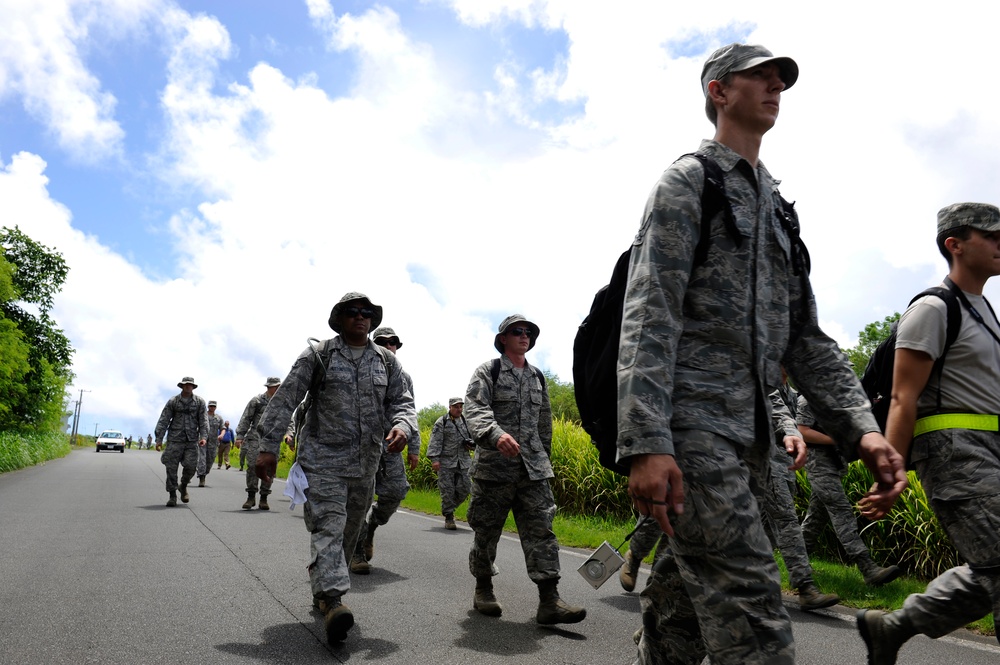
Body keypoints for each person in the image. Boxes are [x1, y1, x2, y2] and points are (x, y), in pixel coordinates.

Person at [616, 43, 907, 665]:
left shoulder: (779, 209)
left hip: (752, 439)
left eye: (782, 80)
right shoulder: (691, 179)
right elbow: (650, 310)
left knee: (680, 610)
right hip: (691, 429)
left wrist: (863, 430)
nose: (776, 86)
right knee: (753, 613)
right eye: (761, 77)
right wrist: (646, 441)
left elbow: (807, 338)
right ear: (719, 92)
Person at [856, 202, 1000, 664]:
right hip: (955, 453)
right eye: (991, 236)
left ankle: (893, 626)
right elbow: (903, 398)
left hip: (991, 451)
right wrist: (889, 475)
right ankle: (894, 626)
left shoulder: (986, 313)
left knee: (993, 568)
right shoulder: (933, 308)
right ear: (954, 244)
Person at [254, 292, 417, 644]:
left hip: (365, 465)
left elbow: (403, 402)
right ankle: (333, 599)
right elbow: (286, 399)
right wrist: (268, 447)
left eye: (367, 313)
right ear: (340, 318)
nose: (361, 318)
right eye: (353, 312)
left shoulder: (387, 363)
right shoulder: (319, 354)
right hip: (322, 461)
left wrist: (403, 426)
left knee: (348, 534)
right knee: (329, 526)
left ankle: (325, 588)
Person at [464, 314, 586, 625]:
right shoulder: (488, 370)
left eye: (528, 332)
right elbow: (475, 408)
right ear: (503, 338)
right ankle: (483, 588)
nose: (524, 336)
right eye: (516, 332)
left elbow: (544, 423)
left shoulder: (537, 377)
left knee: (541, 532)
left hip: (532, 470)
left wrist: (544, 459)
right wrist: (495, 434)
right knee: (486, 532)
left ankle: (549, 600)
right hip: (494, 470)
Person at [796, 394, 901, 585]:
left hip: (835, 464)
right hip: (817, 464)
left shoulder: (837, 399)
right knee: (841, 511)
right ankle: (868, 568)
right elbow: (802, 431)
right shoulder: (808, 399)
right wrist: (836, 440)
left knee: (816, 519)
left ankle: (795, 563)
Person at [349, 326, 418, 574]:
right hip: (362, 448)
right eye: (383, 342)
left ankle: (371, 528)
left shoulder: (404, 377)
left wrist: (414, 448)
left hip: (391, 448)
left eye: (393, 342)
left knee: (396, 493)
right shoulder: (359, 370)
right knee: (359, 500)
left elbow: (410, 411)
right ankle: (356, 552)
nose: (389, 346)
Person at [154, 377, 209, 507]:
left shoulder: (199, 402)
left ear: (193, 387)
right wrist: (159, 439)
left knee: (191, 467)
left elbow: (203, 420)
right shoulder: (173, 401)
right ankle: (172, 495)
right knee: (171, 468)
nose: (188, 387)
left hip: (191, 440)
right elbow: (164, 419)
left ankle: (183, 486)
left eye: (190, 385)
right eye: (186, 385)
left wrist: (204, 437)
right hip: (174, 439)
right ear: (182, 386)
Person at [427, 397, 474, 530]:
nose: (459, 409)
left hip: (463, 461)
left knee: (466, 487)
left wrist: (471, 445)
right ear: (450, 407)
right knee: (447, 491)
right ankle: (449, 517)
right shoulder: (442, 422)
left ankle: (449, 508)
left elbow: (474, 439)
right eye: (456, 407)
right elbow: (435, 441)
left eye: (460, 407)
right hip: (446, 462)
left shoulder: (466, 422)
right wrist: (435, 460)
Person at [236, 377, 281, 510]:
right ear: (269, 387)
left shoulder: (282, 402)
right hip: (255, 437)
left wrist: (290, 434)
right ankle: (251, 497)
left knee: (269, 468)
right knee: (252, 465)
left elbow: (289, 421)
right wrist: (239, 436)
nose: (278, 389)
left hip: (273, 439)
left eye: (279, 386)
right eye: (275, 387)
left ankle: (264, 498)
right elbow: (246, 418)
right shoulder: (257, 401)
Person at [197, 400, 224, 487]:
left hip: (213, 442)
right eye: (210, 406)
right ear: (208, 406)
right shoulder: (202, 416)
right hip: (202, 441)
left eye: (213, 406)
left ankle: (205, 473)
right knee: (202, 459)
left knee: (210, 460)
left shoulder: (218, 418)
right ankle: (202, 477)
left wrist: (222, 434)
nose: (212, 407)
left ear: (216, 407)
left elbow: (223, 428)